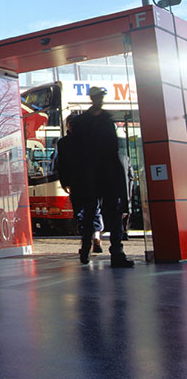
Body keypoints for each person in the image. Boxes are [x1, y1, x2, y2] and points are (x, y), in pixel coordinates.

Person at [71, 86, 134, 268]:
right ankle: (108, 252)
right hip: (98, 175)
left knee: (98, 214)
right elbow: (112, 149)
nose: (101, 100)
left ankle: (95, 251)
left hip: (97, 175)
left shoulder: (84, 121)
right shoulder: (103, 121)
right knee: (101, 214)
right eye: (99, 97)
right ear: (94, 98)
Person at [55, 114, 103, 252]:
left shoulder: (63, 143)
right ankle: (96, 236)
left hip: (75, 183)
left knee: (81, 213)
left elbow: (61, 166)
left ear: (69, 125)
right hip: (92, 182)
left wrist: (65, 183)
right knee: (94, 210)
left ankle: (85, 243)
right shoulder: (91, 140)